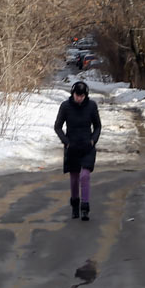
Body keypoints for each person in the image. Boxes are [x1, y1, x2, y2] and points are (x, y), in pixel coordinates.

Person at [54, 80, 102, 220]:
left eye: (82, 96)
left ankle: (85, 207)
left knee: (85, 176)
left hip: (87, 147)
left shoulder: (92, 106)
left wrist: (93, 140)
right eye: (77, 95)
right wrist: (66, 142)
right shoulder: (65, 107)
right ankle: (75, 204)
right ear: (73, 94)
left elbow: (98, 126)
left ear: (86, 95)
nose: (79, 98)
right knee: (74, 179)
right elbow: (57, 127)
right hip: (72, 147)